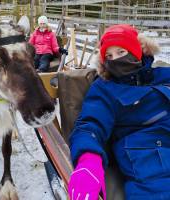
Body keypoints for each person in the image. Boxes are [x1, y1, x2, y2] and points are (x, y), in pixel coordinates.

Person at [68, 24, 170, 200]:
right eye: (108, 56)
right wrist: (88, 160)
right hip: (151, 161)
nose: (115, 60)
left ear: (138, 51)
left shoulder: (163, 75)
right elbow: (89, 125)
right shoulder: (105, 88)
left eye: (121, 52)